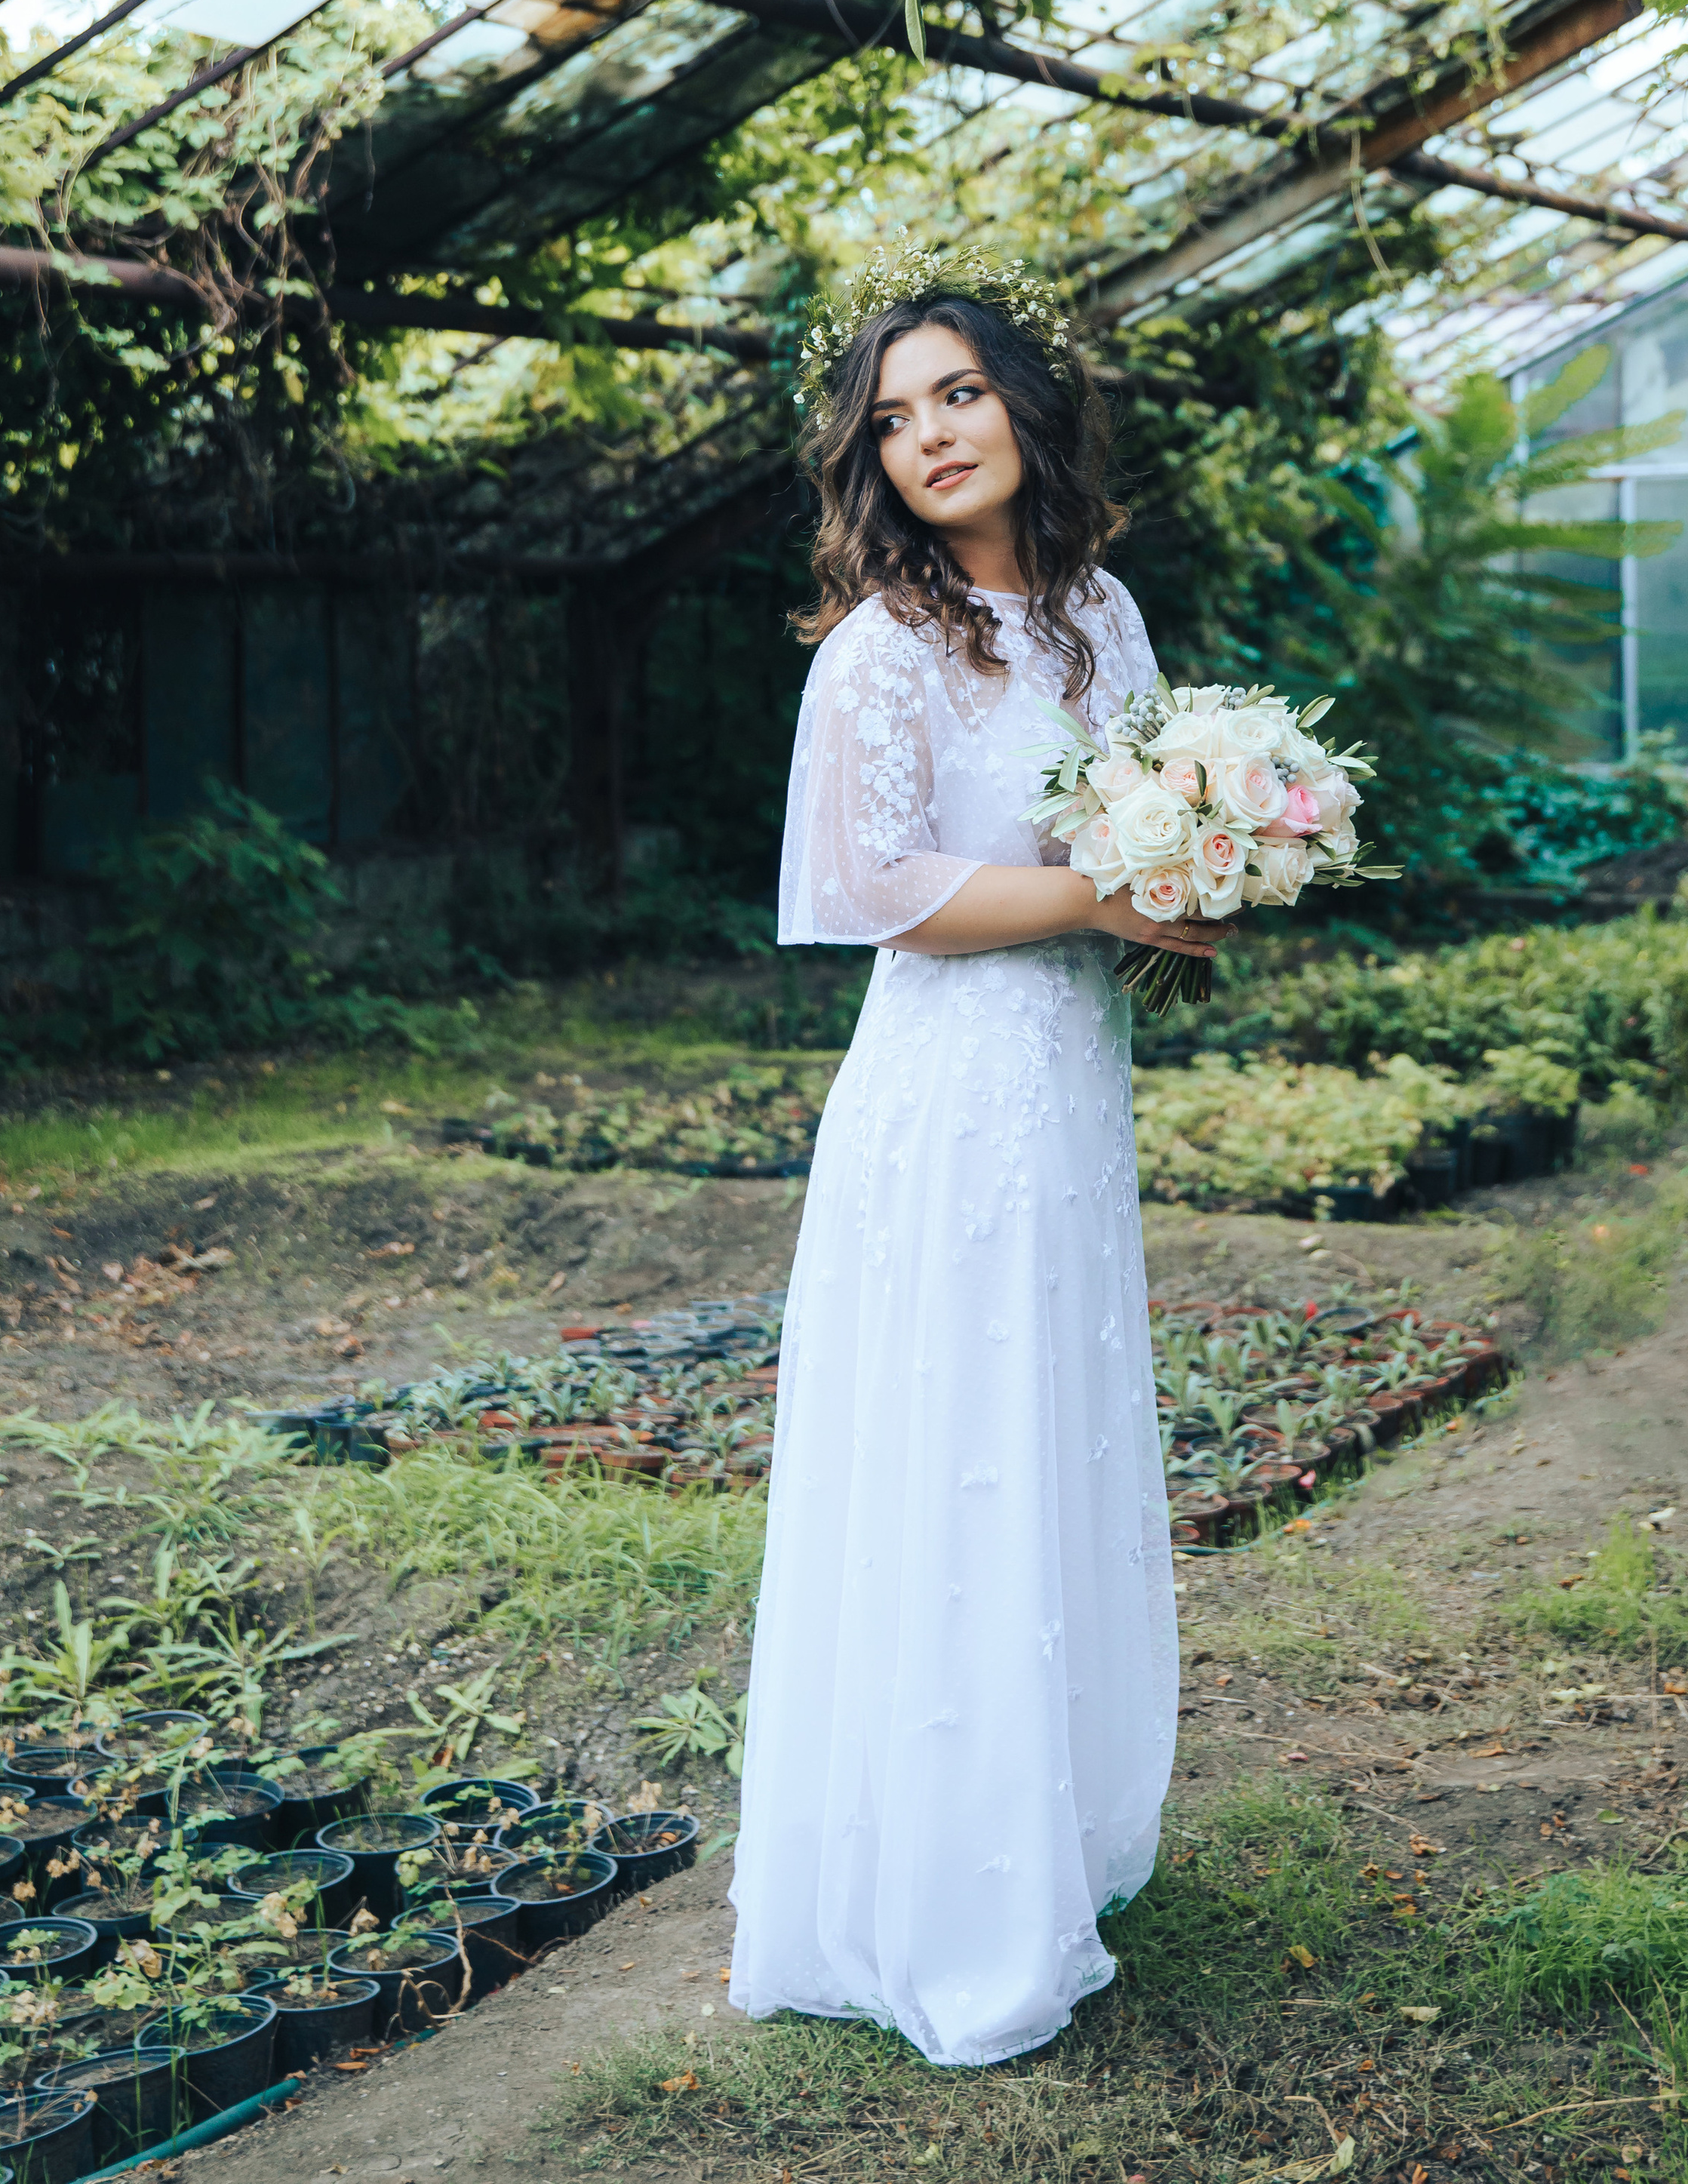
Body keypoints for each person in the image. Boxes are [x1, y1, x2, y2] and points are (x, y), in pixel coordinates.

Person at [727, 245, 1204, 2069]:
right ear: (870, 460)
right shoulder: (878, 649)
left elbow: (1150, 844)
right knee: (954, 1461)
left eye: (957, 394)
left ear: (1018, 406)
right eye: (891, 415)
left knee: (1055, 1442)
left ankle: (1054, 1837)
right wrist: (1111, 888)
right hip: (945, 1107)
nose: (928, 434)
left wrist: (1204, 888)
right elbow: (880, 890)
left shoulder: (1106, 618)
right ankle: (943, 1899)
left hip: (1073, 1096)